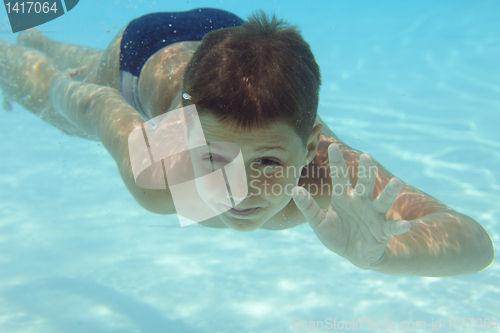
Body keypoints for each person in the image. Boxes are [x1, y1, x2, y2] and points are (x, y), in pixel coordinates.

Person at [0, 8, 494, 277]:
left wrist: (389, 254)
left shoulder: (328, 169)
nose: (238, 188)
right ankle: (27, 51)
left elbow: (474, 242)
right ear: (186, 131)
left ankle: (42, 43)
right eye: (213, 158)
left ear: (311, 144)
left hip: (239, 52)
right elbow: (88, 105)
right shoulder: (160, 168)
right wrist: (58, 86)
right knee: (62, 102)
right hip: (146, 52)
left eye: (269, 163)